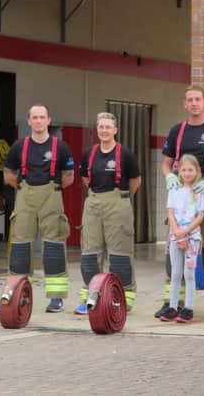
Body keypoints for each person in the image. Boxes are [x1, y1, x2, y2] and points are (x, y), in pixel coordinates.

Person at [157, 85, 204, 321]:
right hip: (180, 190)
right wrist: (169, 176)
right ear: (184, 103)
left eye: (198, 99)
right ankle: (173, 302)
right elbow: (166, 163)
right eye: (190, 100)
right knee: (175, 240)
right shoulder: (176, 130)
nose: (194, 103)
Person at [4, 104, 75, 313]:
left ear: (48, 120)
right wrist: (24, 188)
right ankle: (19, 293)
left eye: (41, 117)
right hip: (25, 195)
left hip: (51, 196)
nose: (38, 121)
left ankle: (56, 298)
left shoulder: (60, 147)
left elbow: (69, 177)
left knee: (53, 247)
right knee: (21, 247)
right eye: (34, 117)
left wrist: (51, 189)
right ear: (29, 121)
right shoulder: (19, 146)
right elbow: (8, 173)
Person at [73, 112, 141, 315]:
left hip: (118, 202)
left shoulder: (126, 154)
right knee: (90, 254)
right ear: (97, 130)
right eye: (101, 127)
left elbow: (135, 182)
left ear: (115, 130)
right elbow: (85, 178)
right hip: (93, 202)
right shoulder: (89, 153)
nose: (104, 130)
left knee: (119, 254)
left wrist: (119, 198)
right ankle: (90, 299)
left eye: (108, 127)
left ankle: (122, 298)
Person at [160, 155, 204, 323]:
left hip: (192, 238)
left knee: (189, 274)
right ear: (178, 171)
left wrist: (186, 232)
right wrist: (177, 232)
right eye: (184, 170)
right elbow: (170, 213)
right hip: (175, 236)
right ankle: (172, 307)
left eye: (190, 170)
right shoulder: (174, 189)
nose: (187, 173)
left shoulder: (200, 191)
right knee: (176, 273)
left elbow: (200, 216)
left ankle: (189, 308)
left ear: (197, 171)